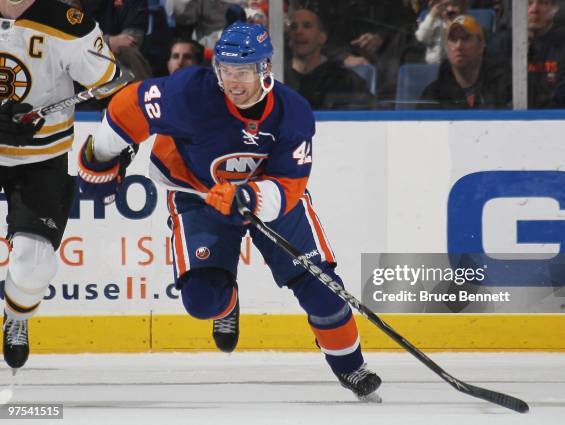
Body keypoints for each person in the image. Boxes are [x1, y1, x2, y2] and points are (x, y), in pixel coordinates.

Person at [77, 21, 382, 402]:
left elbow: (290, 185)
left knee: (322, 291)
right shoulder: (191, 92)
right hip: (198, 192)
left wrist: (251, 198)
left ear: (265, 69)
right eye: (225, 71)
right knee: (203, 301)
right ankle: (228, 304)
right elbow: (128, 106)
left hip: (270, 195)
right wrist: (101, 155)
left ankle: (352, 368)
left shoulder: (292, 112)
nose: (233, 82)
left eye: (243, 72)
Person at [0, 0, 121, 370]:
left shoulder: (69, 22)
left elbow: (110, 82)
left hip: (40, 155)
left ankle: (16, 316)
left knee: (33, 265)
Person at [284, 7, 374, 110]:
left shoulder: (344, 80)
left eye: (307, 26)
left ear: (322, 38)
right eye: (293, 27)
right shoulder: (276, 78)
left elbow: (369, 116)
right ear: (289, 39)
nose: (299, 31)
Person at [418, 15, 511, 109]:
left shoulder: (505, 87)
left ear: (481, 45)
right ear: (447, 47)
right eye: (453, 39)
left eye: (466, 38)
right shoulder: (433, 94)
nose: (458, 45)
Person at [415, 0, 468, 64]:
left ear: (462, 7)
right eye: (445, 5)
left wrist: (451, 24)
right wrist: (431, 15)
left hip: (455, 65)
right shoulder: (433, 22)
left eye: (455, 5)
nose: (450, 9)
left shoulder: (465, 22)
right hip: (433, 64)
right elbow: (421, 37)